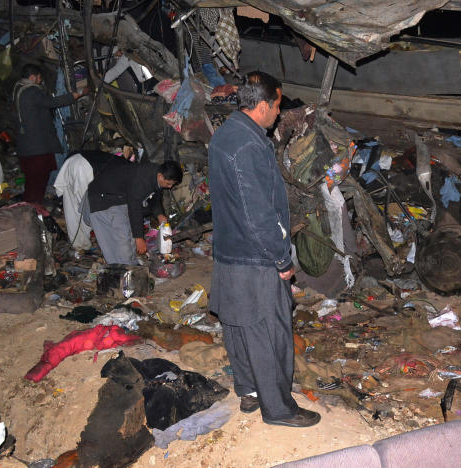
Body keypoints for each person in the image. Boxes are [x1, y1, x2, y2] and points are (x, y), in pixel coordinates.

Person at [208, 71, 319, 428]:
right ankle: (279, 409)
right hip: (254, 256)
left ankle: (250, 391)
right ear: (260, 105)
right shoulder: (248, 145)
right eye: (276, 104)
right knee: (269, 331)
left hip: (229, 249)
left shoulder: (227, 133)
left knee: (238, 325)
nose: (279, 110)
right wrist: (281, 258)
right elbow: (258, 213)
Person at [83, 159, 182, 265]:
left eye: (172, 184)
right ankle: (121, 269)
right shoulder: (142, 179)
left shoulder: (157, 173)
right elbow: (135, 208)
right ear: (160, 176)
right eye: (168, 184)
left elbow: (154, 197)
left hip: (120, 197)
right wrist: (139, 238)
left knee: (130, 233)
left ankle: (129, 263)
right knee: (121, 240)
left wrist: (160, 215)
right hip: (102, 198)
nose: (170, 187)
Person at [13, 64, 87, 205]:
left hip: (26, 146)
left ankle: (30, 208)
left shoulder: (18, 89)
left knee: (32, 181)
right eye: (39, 78)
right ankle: (34, 210)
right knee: (38, 181)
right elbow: (53, 102)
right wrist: (77, 94)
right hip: (36, 147)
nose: (40, 81)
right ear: (33, 77)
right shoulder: (32, 92)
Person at [53, 150, 127, 251]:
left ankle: (79, 245)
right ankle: (106, 247)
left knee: (73, 209)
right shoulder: (132, 175)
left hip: (72, 161)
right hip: (86, 169)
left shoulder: (124, 164)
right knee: (91, 210)